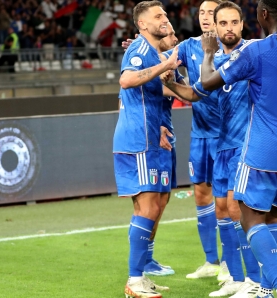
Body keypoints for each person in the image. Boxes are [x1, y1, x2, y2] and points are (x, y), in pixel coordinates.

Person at [193, 0, 277, 297]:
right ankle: (267, 290)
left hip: (260, 150)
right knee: (273, 219)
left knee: (250, 219)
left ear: (264, 15)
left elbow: (206, 82)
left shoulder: (256, 51)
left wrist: (207, 51)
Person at [122, 0, 228, 281]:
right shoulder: (188, 47)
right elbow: (152, 61)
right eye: (202, 12)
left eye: (212, 13)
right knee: (202, 196)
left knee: (227, 202)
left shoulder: (237, 47)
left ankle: (231, 265)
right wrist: (137, 46)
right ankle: (212, 262)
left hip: (230, 134)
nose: (205, 17)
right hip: (201, 133)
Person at [163, 2, 261, 297]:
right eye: (222, 22)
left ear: (242, 24)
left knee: (237, 210)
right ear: (214, 26)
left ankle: (253, 280)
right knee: (221, 208)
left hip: (243, 144)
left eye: (233, 22)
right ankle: (234, 275)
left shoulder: (253, 52)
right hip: (221, 145)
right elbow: (196, 92)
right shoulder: (214, 58)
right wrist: (172, 84)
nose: (227, 27)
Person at [113, 1, 180, 297]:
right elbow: (126, 80)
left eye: (165, 14)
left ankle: (139, 276)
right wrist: (165, 65)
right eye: (158, 16)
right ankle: (135, 279)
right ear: (142, 24)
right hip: (139, 141)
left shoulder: (151, 52)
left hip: (151, 138)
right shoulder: (141, 51)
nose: (164, 19)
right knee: (148, 207)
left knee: (151, 207)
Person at [140, 20, 184, 278]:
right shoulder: (147, 62)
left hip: (168, 134)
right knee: (151, 202)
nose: (175, 39)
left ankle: (148, 257)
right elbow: (139, 96)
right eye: (171, 35)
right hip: (155, 138)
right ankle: (142, 261)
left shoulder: (167, 64)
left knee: (163, 199)